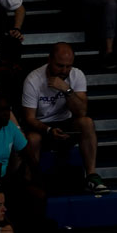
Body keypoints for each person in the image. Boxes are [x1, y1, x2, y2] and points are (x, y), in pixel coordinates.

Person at [19, 41, 105, 194]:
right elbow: (29, 119)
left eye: (68, 66)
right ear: (49, 60)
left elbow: (81, 112)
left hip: (66, 122)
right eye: (59, 65)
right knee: (32, 138)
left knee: (86, 123)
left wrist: (67, 90)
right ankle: (30, 182)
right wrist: (49, 129)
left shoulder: (76, 75)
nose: (64, 70)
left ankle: (91, 175)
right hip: (41, 125)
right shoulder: (33, 80)